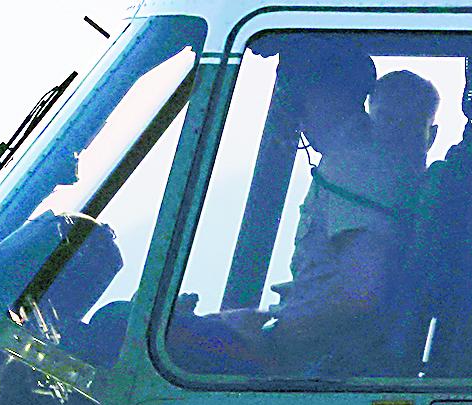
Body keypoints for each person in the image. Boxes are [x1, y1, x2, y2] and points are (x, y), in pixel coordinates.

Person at [174, 55, 430, 373]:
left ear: (323, 97)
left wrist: (270, 333)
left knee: (121, 325)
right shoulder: (361, 162)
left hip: (313, 362)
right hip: (317, 352)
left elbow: (361, 293)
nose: (298, 119)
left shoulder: (357, 165)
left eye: (298, 102)